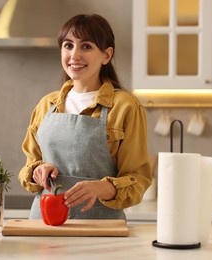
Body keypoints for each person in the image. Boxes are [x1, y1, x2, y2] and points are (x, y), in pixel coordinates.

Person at [19, 14, 152, 220]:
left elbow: (138, 178)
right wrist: (38, 170)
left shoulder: (125, 106)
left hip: (101, 230)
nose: (75, 55)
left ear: (107, 55)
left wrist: (102, 187)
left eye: (86, 46)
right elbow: (29, 166)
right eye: (68, 45)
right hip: (44, 227)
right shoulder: (47, 105)